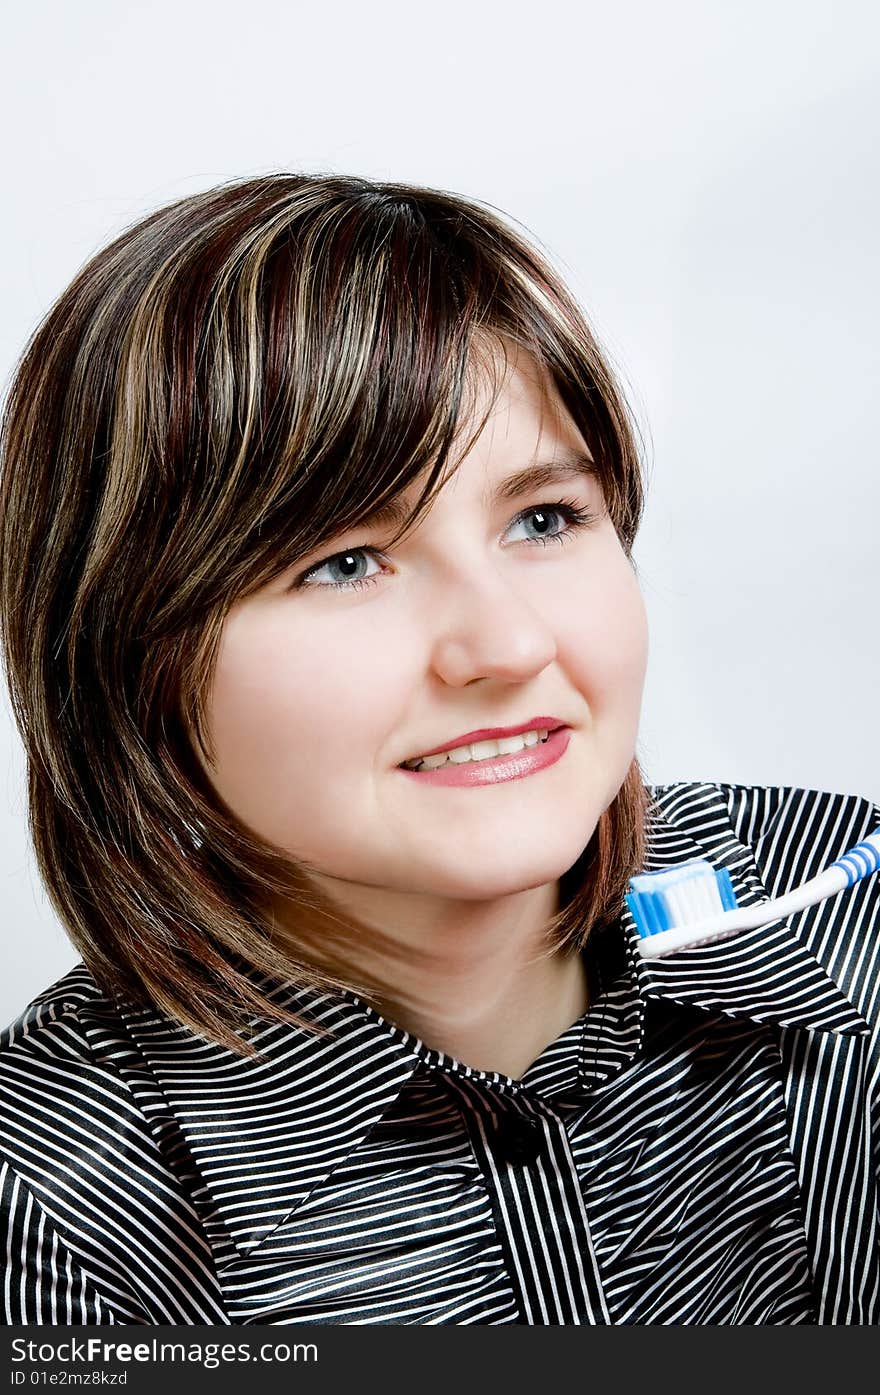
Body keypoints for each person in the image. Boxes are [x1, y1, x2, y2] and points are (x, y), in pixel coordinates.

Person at [0, 174, 877, 1327]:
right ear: (124, 655)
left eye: (545, 520)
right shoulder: (53, 1210)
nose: (509, 642)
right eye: (345, 561)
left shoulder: (847, 901)